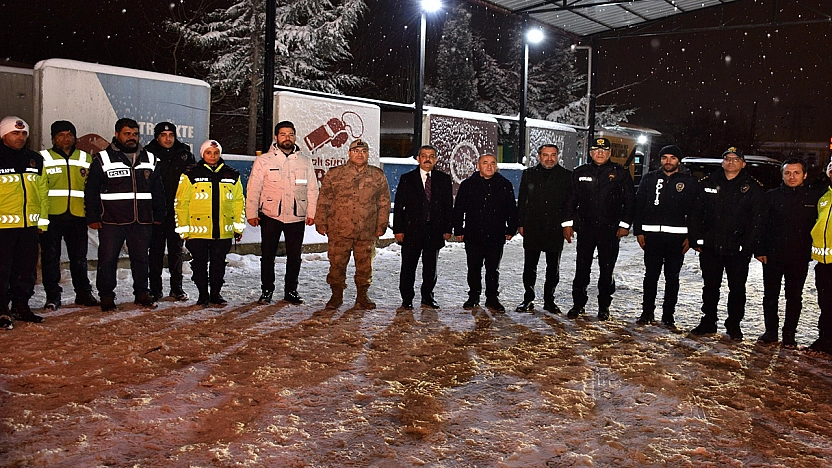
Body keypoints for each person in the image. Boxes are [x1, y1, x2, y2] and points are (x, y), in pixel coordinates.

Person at [85, 118, 165, 311]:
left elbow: (158, 190)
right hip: (112, 220)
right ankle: (106, 296)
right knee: (108, 259)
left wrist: (159, 214)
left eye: (135, 134)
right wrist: (93, 216)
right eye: (127, 134)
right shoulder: (102, 159)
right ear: (117, 135)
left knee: (141, 259)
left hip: (142, 220)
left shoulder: (150, 158)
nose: (132, 138)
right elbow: (91, 190)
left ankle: (142, 293)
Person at [689, 146, 764, 340]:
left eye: (735, 159)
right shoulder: (708, 182)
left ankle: (733, 325)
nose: (731, 162)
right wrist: (696, 239)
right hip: (711, 246)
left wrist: (747, 248)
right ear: (722, 162)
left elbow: (756, 220)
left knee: (737, 289)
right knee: (710, 287)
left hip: (737, 250)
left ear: (743, 163)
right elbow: (696, 213)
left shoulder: (752, 187)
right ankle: (708, 321)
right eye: (727, 158)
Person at [563, 137, 635, 321]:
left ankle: (604, 306)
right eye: (596, 150)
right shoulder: (579, 172)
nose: (600, 153)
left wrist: (624, 226)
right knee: (582, 268)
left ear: (610, 153)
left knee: (607, 269)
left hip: (609, 230)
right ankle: (578, 304)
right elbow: (570, 200)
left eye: (604, 150)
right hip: (586, 229)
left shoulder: (620, 173)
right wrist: (568, 224)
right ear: (590, 153)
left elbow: (629, 202)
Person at [246, 121, 318, 305]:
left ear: (295, 137)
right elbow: (254, 187)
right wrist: (251, 212)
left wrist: (312, 212)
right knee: (268, 255)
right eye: (283, 134)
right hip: (271, 215)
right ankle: (267, 291)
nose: (287, 138)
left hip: (296, 215)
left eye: (291, 134)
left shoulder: (304, 160)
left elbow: (312, 189)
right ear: (276, 138)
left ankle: (291, 291)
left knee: (294, 256)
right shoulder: (264, 160)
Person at [315, 139, 390, 310]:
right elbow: (324, 199)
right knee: (337, 265)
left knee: (365, 267)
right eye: (356, 151)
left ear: (368, 154)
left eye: (363, 151)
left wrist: (381, 224)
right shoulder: (335, 175)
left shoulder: (377, 175)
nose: (359, 154)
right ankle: (336, 296)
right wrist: (320, 221)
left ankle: (362, 296)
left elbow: (384, 202)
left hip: (366, 229)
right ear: (349, 153)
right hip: (339, 229)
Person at [755, 158, 819, 348]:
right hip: (773, 256)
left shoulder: (814, 198)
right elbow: (761, 226)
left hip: (799, 257)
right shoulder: (770, 197)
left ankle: (789, 334)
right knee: (770, 295)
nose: (792, 177)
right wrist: (760, 249)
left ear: (804, 175)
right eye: (787, 173)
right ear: (782, 175)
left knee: (794, 297)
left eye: (796, 173)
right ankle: (771, 332)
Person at [633, 145, 697, 328]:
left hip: (676, 240)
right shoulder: (649, 179)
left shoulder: (689, 181)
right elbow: (640, 206)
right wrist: (638, 231)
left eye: (672, 158)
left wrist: (691, 236)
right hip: (652, 238)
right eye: (664, 158)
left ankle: (668, 315)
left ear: (679, 160)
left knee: (672, 278)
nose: (668, 162)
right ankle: (647, 313)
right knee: (650, 276)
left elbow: (695, 211)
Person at [175, 139, 245, 306]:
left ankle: (215, 293)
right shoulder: (190, 174)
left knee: (219, 264)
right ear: (202, 154)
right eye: (208, 153)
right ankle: (202, 294)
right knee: (199, 264)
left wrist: (238, 227)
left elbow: (238, 202)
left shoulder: (232, 174)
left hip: (223, 231)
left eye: (216, 153)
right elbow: (181, 203)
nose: (212, 156)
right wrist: (183, 230)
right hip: (197, 231)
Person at [39, 120, 100, 310]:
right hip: (52, 216)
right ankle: (53, 297)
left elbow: (91, 189)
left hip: (77, 216)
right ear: (53, 138)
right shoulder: (43, 158)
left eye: (69, 135)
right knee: (50, 258)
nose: (66, 139)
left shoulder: (85, 158)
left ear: (74, 137)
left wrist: (91, 214)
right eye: (61, 135)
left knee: (79, 258)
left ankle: (83, 293)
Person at [0, 116, 49, 329]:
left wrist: (42, 222)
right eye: (15, 133)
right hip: (3, 227)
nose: (20, 137)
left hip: (29, 226)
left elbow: (43, 193)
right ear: (3, 134)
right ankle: (2, 310)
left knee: (26, 269)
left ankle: (21, 306)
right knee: (2, 270)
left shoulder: (35, 159)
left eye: (23, 133)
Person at [453, 154, 519, 312]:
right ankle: (473, 296)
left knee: (492, 268)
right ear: (478, 166)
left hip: (496, 234)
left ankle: (492, 298)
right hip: (473, 233)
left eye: (492, 163)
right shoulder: (468, 185)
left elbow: (512, 209)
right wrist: (459, 229)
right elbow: (459, 209)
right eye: (485, 163)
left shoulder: (505, 184)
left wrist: (511, 228)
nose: (489, 166)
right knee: (474, 267)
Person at [393, 145, 454, 310]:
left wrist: (448, 228)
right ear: (418, 158)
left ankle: (427, 296)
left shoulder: (443, 179)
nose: (428, 159)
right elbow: (399, 206)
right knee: (408, 267)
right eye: (424, 155)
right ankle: (407, 299)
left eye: (431, 156)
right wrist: (398, 229)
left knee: (430, 268)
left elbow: (448, 206)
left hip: (434, 231)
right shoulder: (407, 178)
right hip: (411, 230)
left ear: (436, 159)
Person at [515, 144, 571, 314]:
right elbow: (523, 200)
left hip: (555, 229)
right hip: (533, 227)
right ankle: (528, 298)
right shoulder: (529, 174)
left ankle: (549, 300)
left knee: (553, 267)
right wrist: (521, 223)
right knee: (530, 266)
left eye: (553, 155)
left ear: (558, 156)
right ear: (539, 156)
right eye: (545, 155)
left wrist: (567, 224)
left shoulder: (567, 176)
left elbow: (569, 203)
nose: (549, 158)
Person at [144, 122, 195, 302]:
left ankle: (177, 288)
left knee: (176, 251)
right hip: (155, 212)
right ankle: (156, 290)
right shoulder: (147, 154)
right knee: (155, 252)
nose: (168, 139)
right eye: (164, 135)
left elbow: (193, 183)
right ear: (157, 137)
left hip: (177, 212)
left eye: (171, 135)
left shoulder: (184, 154)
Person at [807, 161, 832, 355]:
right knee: (825, 303)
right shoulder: (823, 195)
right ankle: (825, 339)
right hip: (824, 263)